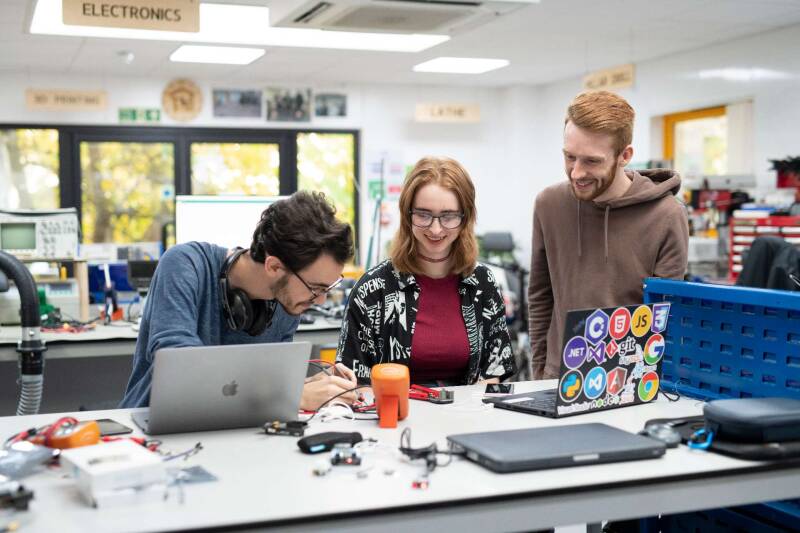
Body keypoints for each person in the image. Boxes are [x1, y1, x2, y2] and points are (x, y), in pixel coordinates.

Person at [120, 191, 358, 410]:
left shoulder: (287, 302)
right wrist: (293, 395)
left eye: (328, 288)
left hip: (234, 432)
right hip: (152, 430)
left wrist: (308, 385)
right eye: (315, 288)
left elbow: (257, 388)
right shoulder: (185, 264)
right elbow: (180, 368)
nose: (320, 300)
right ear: (274, 266)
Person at [528, 90, 689, 380]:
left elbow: (664, 316)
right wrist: (540, 372)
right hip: (557, 378)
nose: (576, 172)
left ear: (625, 155)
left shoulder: (666, 216)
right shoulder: (548, 205)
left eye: (591, 161)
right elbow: (541, 296)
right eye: (569, 157)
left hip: (628, 381)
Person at [337, 156, 516, 385]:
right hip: (394, 417)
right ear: (407, 215)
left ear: (465, 218)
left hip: (469, 417)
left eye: (448, 216)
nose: (435, 228)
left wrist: (471, 413)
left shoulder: (481, 282)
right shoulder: (373, 289)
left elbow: (495, 369)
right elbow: (354, 381)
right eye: (423, 214)